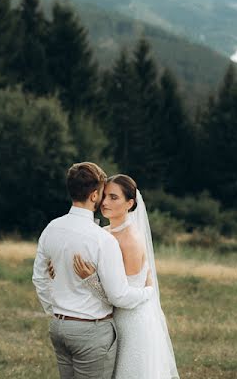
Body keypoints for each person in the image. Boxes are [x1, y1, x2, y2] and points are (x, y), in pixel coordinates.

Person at [32, 162, 155, 379]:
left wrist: (56, 311)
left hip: (59, 327)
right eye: (104, 195)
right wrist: (148, 292)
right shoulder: (102, 239)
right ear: (95, 195)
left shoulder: (51, 228)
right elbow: (118, 295)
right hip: (90, 331)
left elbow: (39, 278)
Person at [51, 174, 180, 379]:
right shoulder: (104, 232)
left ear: (129, 203)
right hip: (113, 321)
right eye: (104, 196)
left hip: (131, 321)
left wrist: (91, 280)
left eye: (114, 197)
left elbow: (120, 298)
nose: (105, 202)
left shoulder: (130, 240)